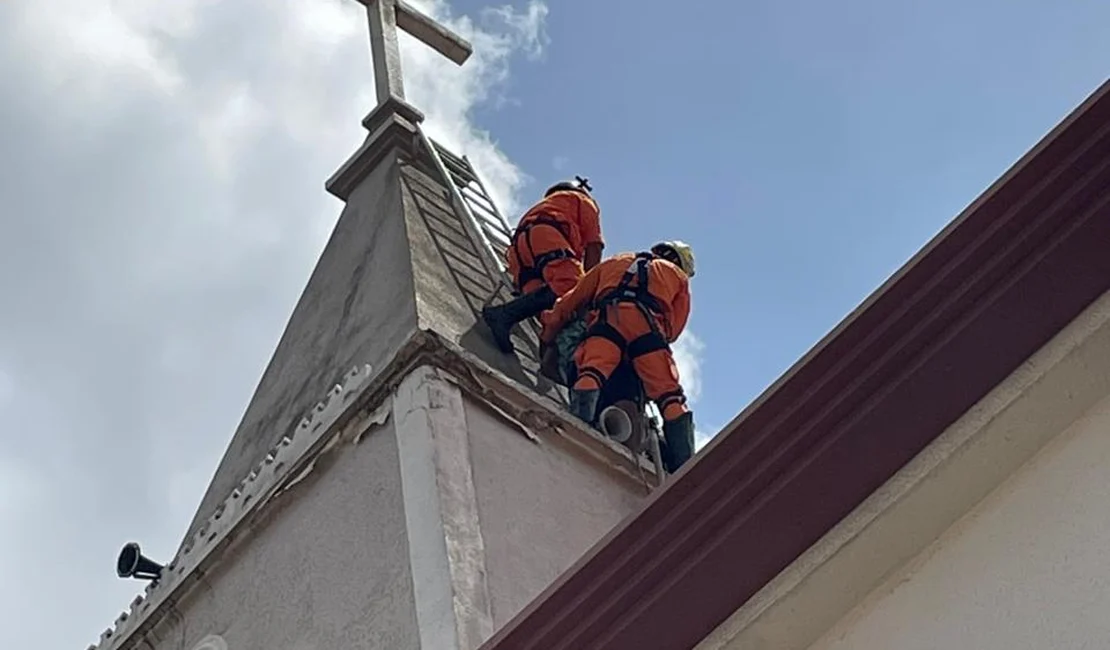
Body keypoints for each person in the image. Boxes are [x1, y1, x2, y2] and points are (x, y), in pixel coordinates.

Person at [539, 240, 698, 473]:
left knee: (592, 372)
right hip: (648, 329)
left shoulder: (615, 261)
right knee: (670, 397)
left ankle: (576, 428)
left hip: (607, 321)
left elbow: (572, 300)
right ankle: (685, 467)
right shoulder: (678, 277)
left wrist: (549, 334)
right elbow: (673, 329)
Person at [482, 177, 604, 353]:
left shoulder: (546, 206)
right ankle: (502, 315)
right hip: (546, 237)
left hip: (521, 251)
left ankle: (510, 324)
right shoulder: (582, 201)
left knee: (549, 310)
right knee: (572, 284)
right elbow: (594, 246)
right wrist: (588, 290)